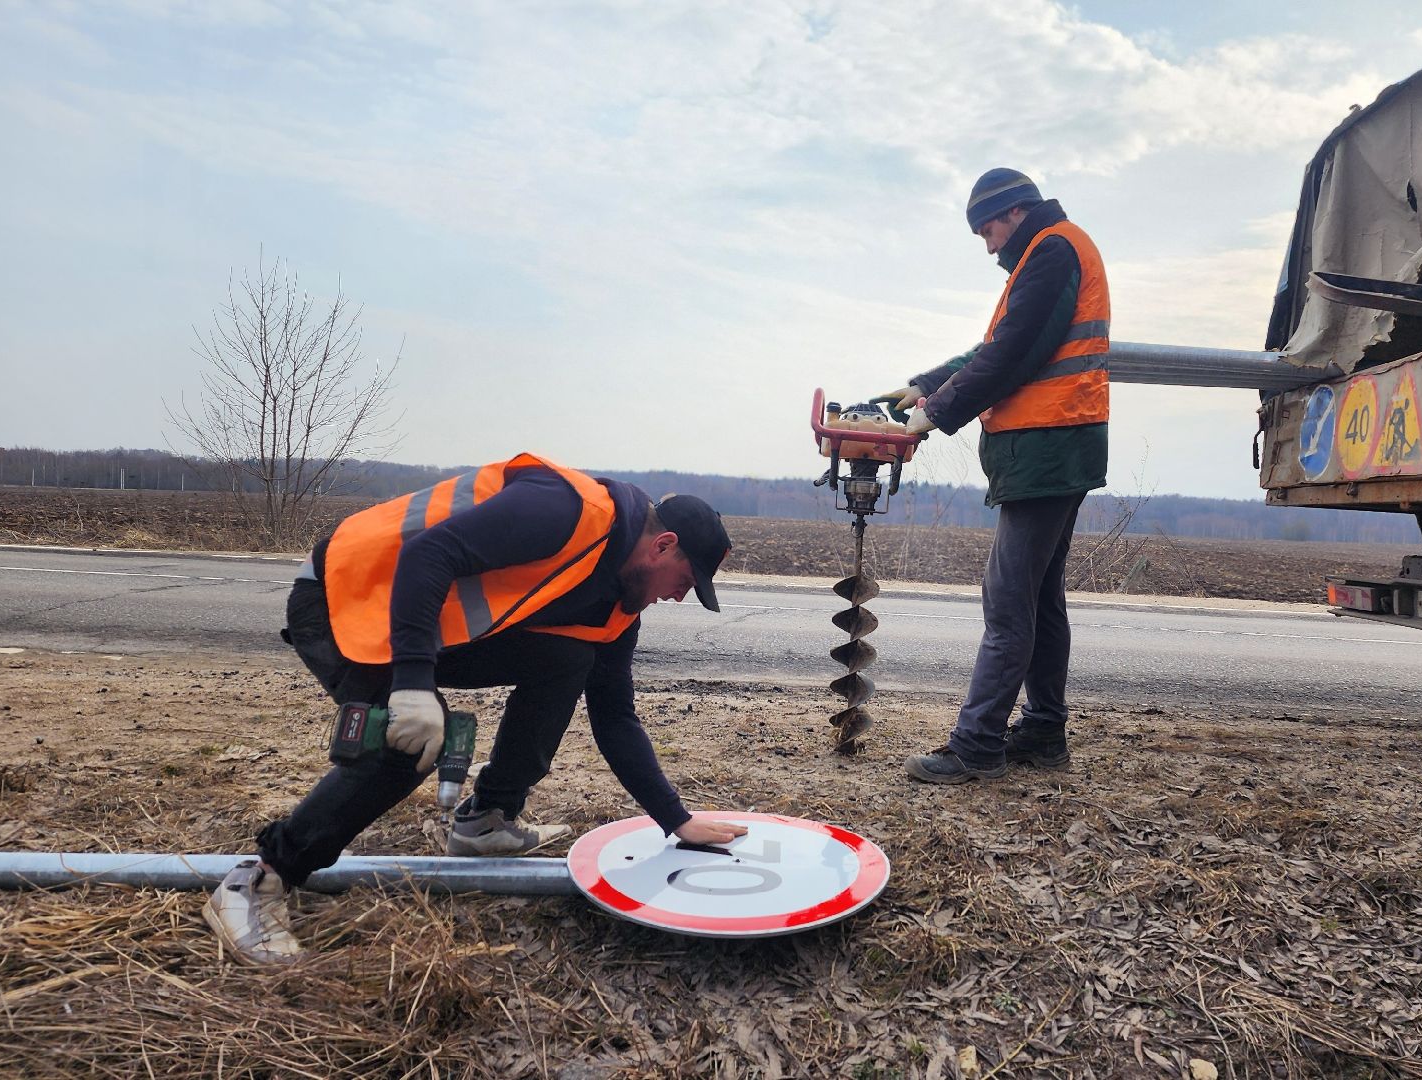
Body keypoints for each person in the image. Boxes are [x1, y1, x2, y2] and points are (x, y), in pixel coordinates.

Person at [203, 453, 748, 963]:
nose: (679, 596)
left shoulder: (616, 609)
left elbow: (615, 717)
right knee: (410, 739)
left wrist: (676, 819)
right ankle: (261, 879)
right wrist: (413, 684)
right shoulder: (566, 510)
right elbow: (428, 553)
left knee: (568, 658)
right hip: (344, 599)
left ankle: (487, 821)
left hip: (417, 622)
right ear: (661, 546)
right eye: (685, 581)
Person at [877, 167, 1109, 785]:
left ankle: (977, 744)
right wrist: (924, 386)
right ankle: (1042, 730)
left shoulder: (1053, 251)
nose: (986, 245)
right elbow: (995, 348)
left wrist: (931, 416)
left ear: (1014, 212)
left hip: (1047, 449)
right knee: (1037, 597)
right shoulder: (1048, 253)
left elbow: (1010, 356)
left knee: (1007, 601)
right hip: (1054, 449)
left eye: (987, 229)